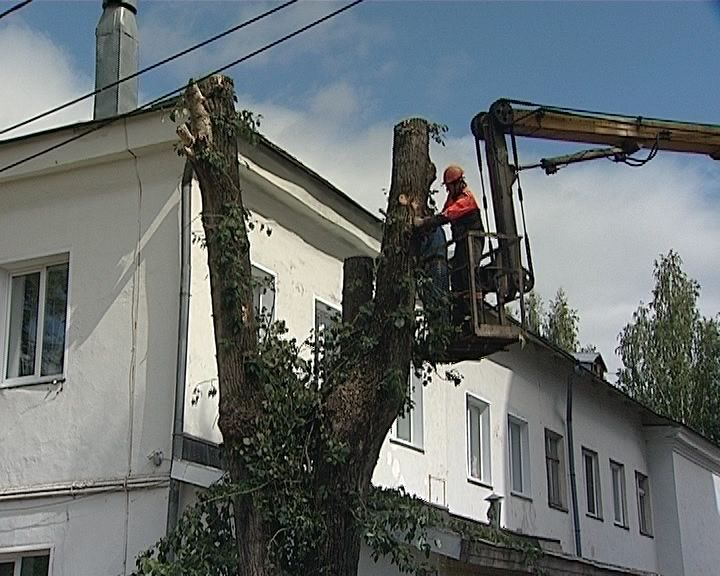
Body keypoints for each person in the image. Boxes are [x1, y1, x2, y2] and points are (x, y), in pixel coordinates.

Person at [415, 164, 485, 318]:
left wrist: (425, 222)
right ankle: (461, 314)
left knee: (469, 271)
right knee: (456, 274)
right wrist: (430, 224)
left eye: (449, 186)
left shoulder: (467, 199)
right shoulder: (452, 198)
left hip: (473, 238)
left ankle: (475, 315)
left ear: (458, 183)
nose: (447, 190)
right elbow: (443, 213)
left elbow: (447, 215)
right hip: (461, 240)